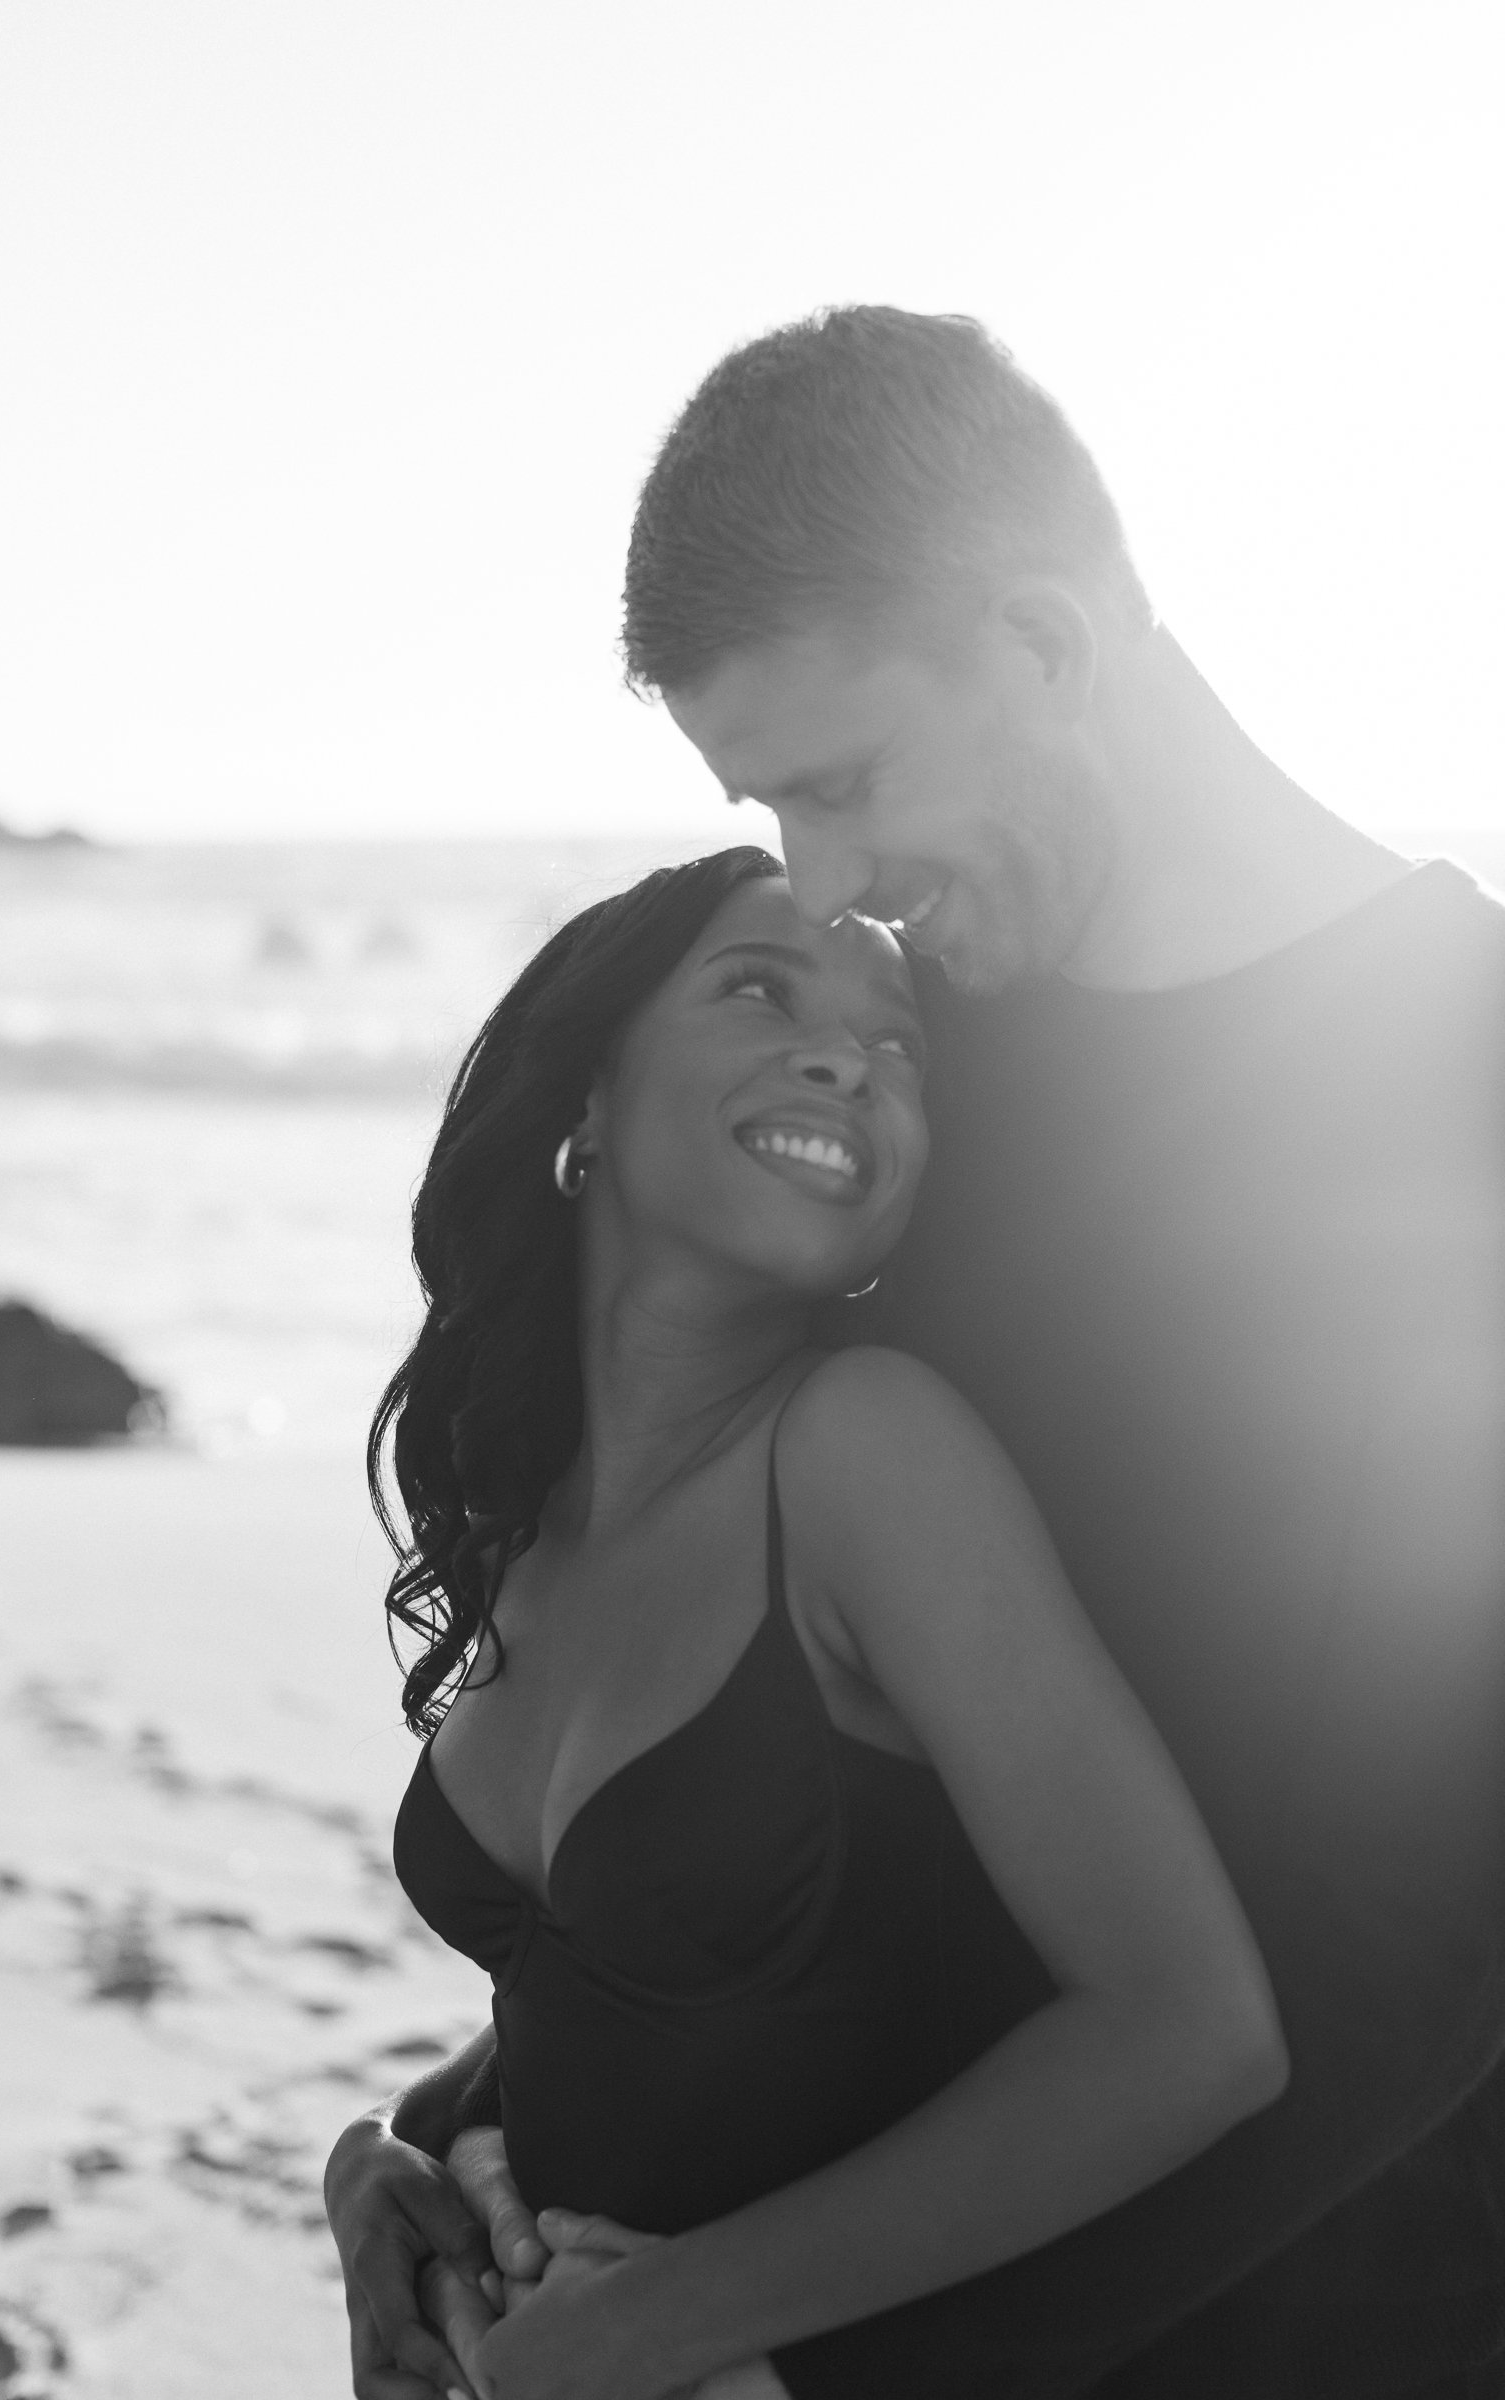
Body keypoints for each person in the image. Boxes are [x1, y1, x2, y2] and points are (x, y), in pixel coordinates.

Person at [328, 308, 1505, 2396]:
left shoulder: (1456, 1090)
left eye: (842, 782)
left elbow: (1415, 1957)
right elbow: (773, 1747)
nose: (826, 882)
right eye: (770, 812)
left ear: (1046, 647)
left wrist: (794, 2365)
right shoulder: (901, 1080)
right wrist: (459, 2138)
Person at [338, 841, 1290, 2400]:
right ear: (586, 1101)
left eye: (901, 1045)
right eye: (761, 989)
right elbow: (630, 2000)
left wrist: (665, 2323)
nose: (846, 1055)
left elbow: (1190, 2029)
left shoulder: (864, 1454)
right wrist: (382, 2158)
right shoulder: (530, 1512)